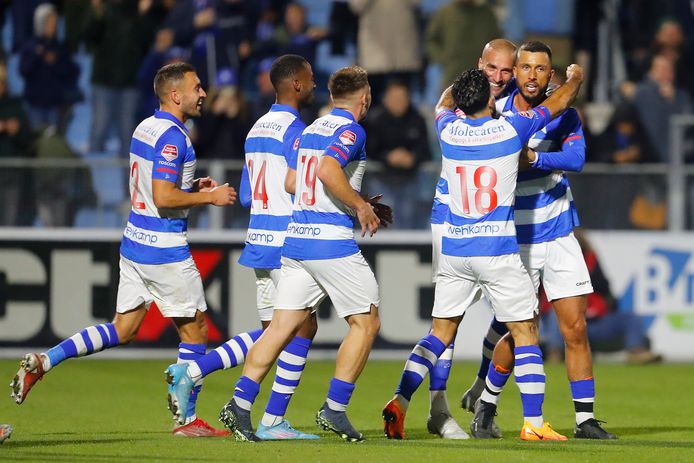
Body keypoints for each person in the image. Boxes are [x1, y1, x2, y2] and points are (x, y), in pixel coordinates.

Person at [10, 62, 237, 437]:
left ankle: (45, 361)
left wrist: (192, 184)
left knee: (123, 328)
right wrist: (207, 196)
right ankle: (188, 420)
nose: (203, 93)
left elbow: (153, 186)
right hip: (164, 249)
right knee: (196, 331)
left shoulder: (144, 128)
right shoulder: (174, 137)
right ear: (175, 94)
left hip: (134, 243)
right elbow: (163, 196)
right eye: (196, 87)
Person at [382, 60, 584, 441]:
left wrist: (459, 85)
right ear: (490, 103)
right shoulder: (510, 130)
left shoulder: (447, 129)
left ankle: (401, 398)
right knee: (525, 331)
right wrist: (574, 79)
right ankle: (534, 425)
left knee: (439, 333)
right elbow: (556, 104)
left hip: (455, 249)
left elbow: (441, 104)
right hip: (496, 249)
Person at [218, 65, 388, 443]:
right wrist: (359, 205)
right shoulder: (351, 130)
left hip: (295, 242)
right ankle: (335, 408)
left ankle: (240, 403)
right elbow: (328, 171)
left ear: (331, 96)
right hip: (330, 243)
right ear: (365, 98)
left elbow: (294, 182)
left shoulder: (311, 129)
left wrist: (351, 200)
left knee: (281, 328)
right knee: (367, 322)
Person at [164, 54, 320, 440]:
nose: (315, 85)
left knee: (274, 331)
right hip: (288, 241)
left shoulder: (254, 129)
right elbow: (298, 184)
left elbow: (250, 195)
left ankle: (194, 371)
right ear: (296, 84)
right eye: (311, 79)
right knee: (301, 328)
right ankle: (273, 419)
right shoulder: (298, 131)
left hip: (259, 237)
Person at [465, 41, 616, 440]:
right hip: (517, 238)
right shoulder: (495, 113)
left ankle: (585, 420)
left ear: (551, 75)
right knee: (521, 330)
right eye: (525, 67)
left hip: (560, 232)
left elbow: (577, 159)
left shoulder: (563, 112)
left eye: (541, 69)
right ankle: (488, 406)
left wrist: (533, 160)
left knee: (576, 328)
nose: (532, 75)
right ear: (514, 71)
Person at [403, 38, 517, 440]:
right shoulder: (468, 102)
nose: (500, 78)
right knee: (449, 319)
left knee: (509, 316)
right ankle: (438, 410)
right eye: (492, 69)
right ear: (479, 66)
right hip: (450, 218)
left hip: (500, 220)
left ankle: (482, 397)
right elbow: (442, 104)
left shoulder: (516, 105)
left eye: (507, 71)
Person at [541, 231, 662, 364]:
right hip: (565, 325)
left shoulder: (592, 262)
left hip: (594, 323)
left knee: (631, 318)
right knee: (556, 313)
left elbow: (607, 293)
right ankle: (555, 354)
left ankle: (637, 352)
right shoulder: (548, 265)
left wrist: (598, 307)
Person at [364, 80, 431, 229]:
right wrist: (388, 157)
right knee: (383, 221)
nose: (398, 103)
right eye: (394, 99)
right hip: (380, 180)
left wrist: (412, 158)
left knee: (409, 219)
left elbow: (425, 151)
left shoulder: (417, 120)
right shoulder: (375, 120)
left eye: (402, 99)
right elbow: (369, 149)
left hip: (410, 180)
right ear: (386, 100)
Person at [19, 3, 81, 134]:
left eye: (54, 22)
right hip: (34, 103)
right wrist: (37, 56)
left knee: (52, 141)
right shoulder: (30, 46)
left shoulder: (60, 48)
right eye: (48, 22)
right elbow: (24, 70)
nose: (52, 26)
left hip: (55, 103)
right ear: (39, 23)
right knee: (35, 141)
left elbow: (70, 73)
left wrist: (55, 62)